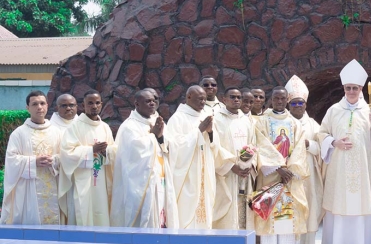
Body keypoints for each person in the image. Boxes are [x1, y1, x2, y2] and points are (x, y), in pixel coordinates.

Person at [318, 59, 371, 244]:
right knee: (339, 205)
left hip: (363, 169)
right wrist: (334, 142)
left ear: (360, 89)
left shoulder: (369, 112)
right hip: (339, 169)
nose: (351, 91)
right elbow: (321, 133)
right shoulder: (333, 110)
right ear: (344, 89)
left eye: (355, 88)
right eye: (348, 88)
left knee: (360, 206)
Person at [212, 87, 282, 230]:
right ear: (224, 99)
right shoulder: (216, 120)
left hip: (245, 174)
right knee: (227, 210)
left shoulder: (246, 120)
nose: (236, 100)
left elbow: (254, 144)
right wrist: (232, 166)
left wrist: (249, 164)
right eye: (232, 97)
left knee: (245, 211)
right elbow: (213, 146)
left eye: (239, 98)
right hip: (226, 174)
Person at [253, 86, 309, 244]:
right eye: (276, 98)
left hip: (288, 175)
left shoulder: (294, 123)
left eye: (282, 99)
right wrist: (278, 167)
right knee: (269, 212)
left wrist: (290, 169)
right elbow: (261, 144)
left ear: (287, 100)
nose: (279, 101)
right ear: (271, 100)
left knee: (286, 212)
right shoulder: (262, 122)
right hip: (270, 173)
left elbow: (299, 147)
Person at [109, 89, 179, 228]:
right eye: (148, 101)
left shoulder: (157, 121)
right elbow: (133, 153)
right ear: (137, 104)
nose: (152, 103)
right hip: (142, 182)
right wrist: (152, 135)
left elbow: (170, 145)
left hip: (160, 177)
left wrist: (159, 137)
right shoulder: (129, 126)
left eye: (154, 100)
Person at [167, 85, 227, 229]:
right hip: (188, 173)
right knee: (187, 207)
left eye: (205, 99)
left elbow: (214, 145)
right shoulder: (178, 118)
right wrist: (198, 131)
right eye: (200, 99)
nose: (203, 102)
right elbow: (174, 146)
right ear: (188, 97)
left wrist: (211, 132)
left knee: (205, 205)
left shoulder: (204, 116)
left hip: (205, 169)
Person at [0, 91, 63, 225]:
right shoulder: (19, 133)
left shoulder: (57, 132)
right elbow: (11, 160)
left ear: (47, 105)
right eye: (34, 104)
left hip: (53, 182)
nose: (39, 107)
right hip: (28, 188)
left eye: (42, 103)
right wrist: (33, 161)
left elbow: (65, 156)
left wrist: (55, 160)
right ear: (28, 108)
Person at [59, 90, 116, 226]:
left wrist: (106, 151)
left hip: (101, 179)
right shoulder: (75, 126)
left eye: (97, 103)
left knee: (101, 211)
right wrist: (91, 150)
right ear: (83, 105)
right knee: (82, 212)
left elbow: (114, 150)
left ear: (101, 105)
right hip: (82, 180)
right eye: (90, 103)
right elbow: (66, 153)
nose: (94, 106)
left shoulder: (105, 127)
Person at [286, 75, 324, 244]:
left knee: (307, 206)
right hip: (289, 172)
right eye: (294, 103)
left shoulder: (313, 125)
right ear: (288, 105)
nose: (298, 106)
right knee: (290, 206)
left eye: (300, 103)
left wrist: (310, 145)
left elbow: (322, 148)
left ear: (306, 105)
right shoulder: (282, 122)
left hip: (307, 172)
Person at [49, 93, 77, 224]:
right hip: (59, 176)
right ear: (57, 107)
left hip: (79, 176)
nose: (68, 108)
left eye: (71, 105)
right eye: (64, 105)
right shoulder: (50, 127)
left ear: (77, 106)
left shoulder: (82, 124)